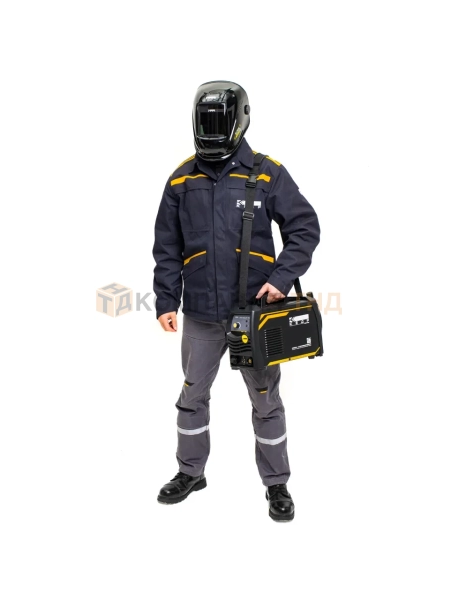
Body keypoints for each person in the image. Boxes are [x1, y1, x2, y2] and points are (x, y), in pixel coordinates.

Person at [152, 80, 320, 522]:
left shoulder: (267, 173)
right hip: (201, 314)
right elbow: (167, 247)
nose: (211, 131)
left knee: (265, 398)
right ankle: (190, 472)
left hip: (254, 315)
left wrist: (281, 280)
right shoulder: (182, 179)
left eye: (219, 123)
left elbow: (304, 228)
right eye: (205, 123)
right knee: (192, 395)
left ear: (239, 121)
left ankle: (277, 483)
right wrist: (166, 300)